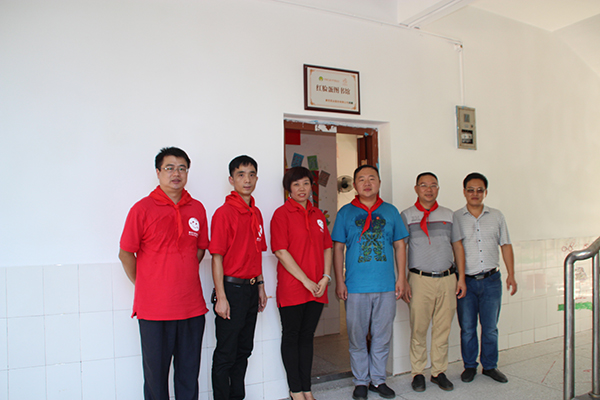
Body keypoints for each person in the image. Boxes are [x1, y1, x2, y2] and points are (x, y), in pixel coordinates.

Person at [118, 147, 209, 400]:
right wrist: (145, 283)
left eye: (182, 168)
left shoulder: (197, 209)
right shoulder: (142, 209)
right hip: (155, 311)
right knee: (156, 379)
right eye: (169, 168)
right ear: (158, 172)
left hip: (191, 308)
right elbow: (125, 254)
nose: (176, 173)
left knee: (188, 376)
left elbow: (200, 249)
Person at [332, 165, 409, 400]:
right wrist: (340, 281)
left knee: (382, 336)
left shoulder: (390, 211)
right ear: (355, 185)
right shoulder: (345, 213)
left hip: (386, 285)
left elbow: (400, 245)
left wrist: (402, 278)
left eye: (372, 178)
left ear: (379, 183)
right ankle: (360, 382)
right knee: (357, 337)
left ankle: (378, 380)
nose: (367, 183)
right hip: (355, 287)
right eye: (362, 179)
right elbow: (338, 248)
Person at [270, 167, 333, 400]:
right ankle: (295, 391)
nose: (302, 189)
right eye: (296, 184)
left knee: (307, 338)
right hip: (293, 288)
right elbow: (280, 251)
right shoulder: (281, 214)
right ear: (288, 188)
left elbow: (327, 247)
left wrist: (326, 277)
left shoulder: (318, 215)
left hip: (317, 287)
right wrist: (305, 280)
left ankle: (307, 389)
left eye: (305, 183)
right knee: (292, 336)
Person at [400, 172, 466, 392]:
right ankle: (418, 373)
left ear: (438, 189)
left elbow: (457, 246)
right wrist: (403, 280)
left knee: (442, 329)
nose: (429, 190)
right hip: (419, 280)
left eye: (433, 185)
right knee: (418, 329)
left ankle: (438, 372)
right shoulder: (407, 215)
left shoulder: (449, 215)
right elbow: (401, 248)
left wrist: (461, 278)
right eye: (424, 185)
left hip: (447, 279)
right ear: (416, 189)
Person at [210, 155, 268, 400]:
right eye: (241, 174)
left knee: (244, 350)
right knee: (226, 352)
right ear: (231, 179)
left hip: (251, 290)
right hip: (231, 291)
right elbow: (216, 258)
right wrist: (221, 297)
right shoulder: (224, 213)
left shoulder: (256, 213)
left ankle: (237, 396)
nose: (247, 180)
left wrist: (261, 287)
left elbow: (257, 254)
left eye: (251, 174)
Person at [454, 172, 518, 384]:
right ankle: (469, 366)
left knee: (490, 328)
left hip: (491, 280)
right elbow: (454, 248)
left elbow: (506, 245)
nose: (475, 194)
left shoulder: (497, 216)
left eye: (479, 190)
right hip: (466, 282)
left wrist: (511, 274)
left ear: (485, 192)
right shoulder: (456, 218)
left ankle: (490, 366)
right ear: (464, 192)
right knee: (467, 328)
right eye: (470, 190)